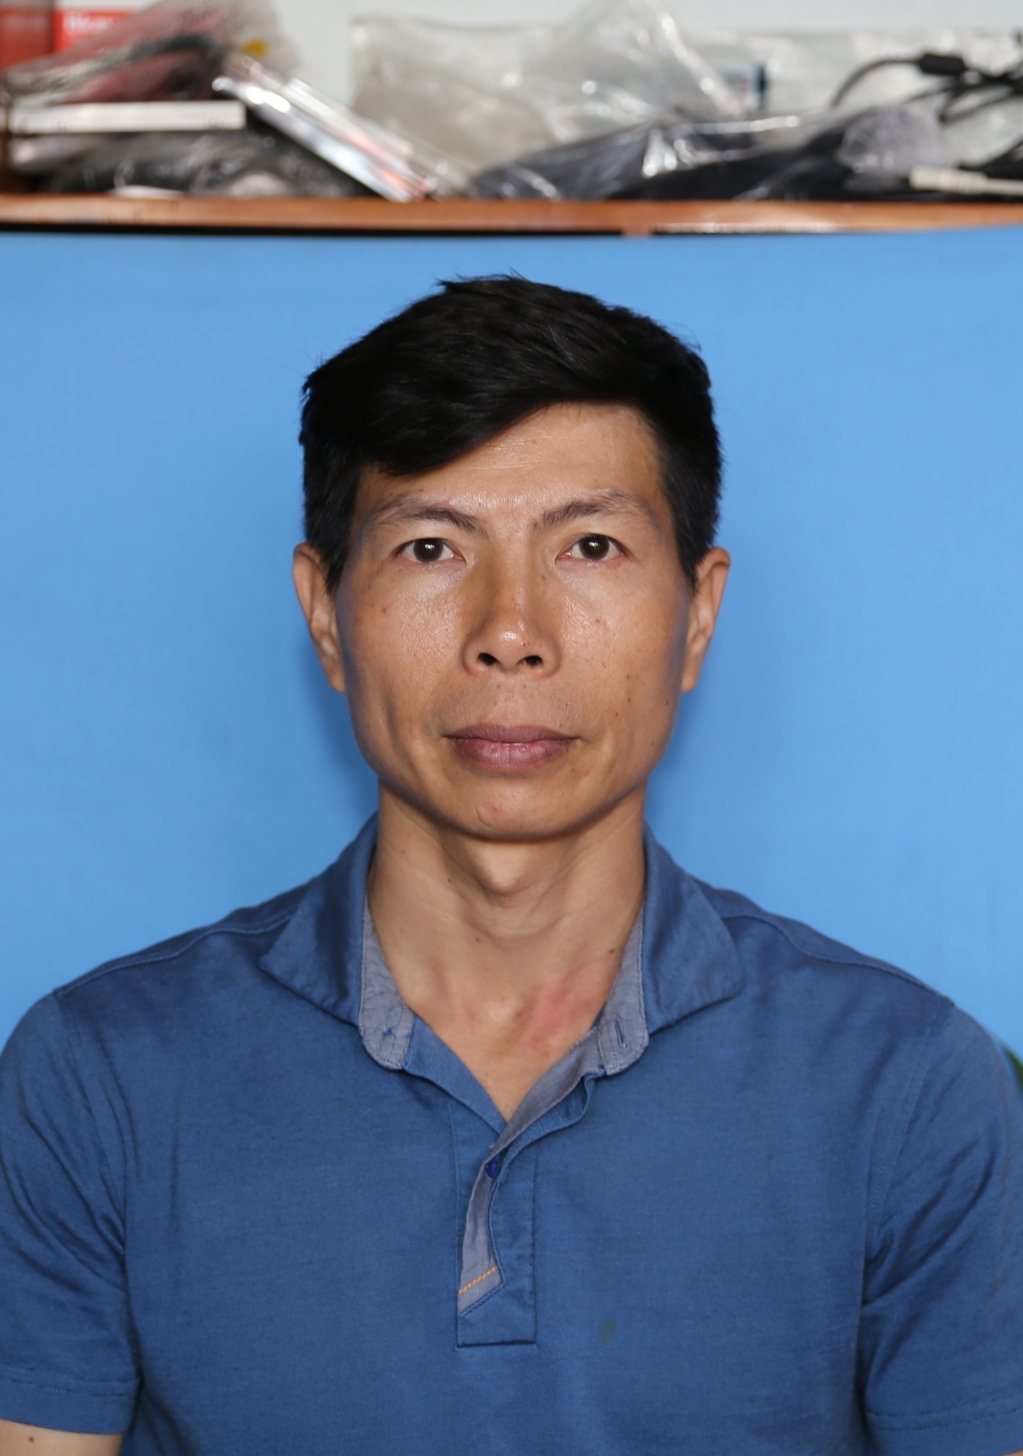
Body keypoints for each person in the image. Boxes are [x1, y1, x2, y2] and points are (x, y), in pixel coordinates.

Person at [0, 276, 1021, 1456]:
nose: (510, 632)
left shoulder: (907, 1086)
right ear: (325, 615)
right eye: (431, 547)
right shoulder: (98, 1079)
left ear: (697, 615)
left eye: (590, 546)